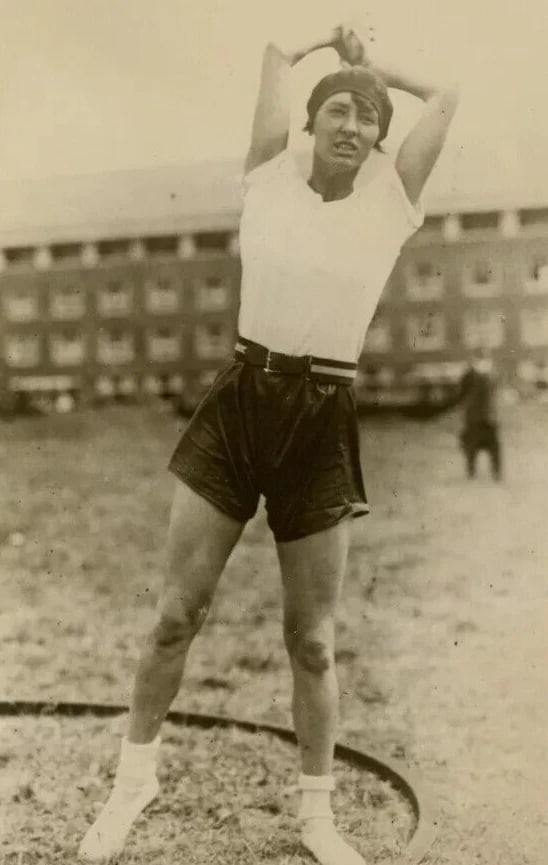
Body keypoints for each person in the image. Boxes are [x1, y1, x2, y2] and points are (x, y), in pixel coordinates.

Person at [79, 19, 459, 865]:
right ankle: (132, 781)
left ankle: (318, 816)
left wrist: (373, 68)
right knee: (177, 613)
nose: (355, 127)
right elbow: (276, 58)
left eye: (369, 118)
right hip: (240, 402)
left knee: (313, 638)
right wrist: (328, 46)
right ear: (313, 124)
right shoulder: (269, 178)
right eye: (340, 114)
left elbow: (447, 97)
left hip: (322, 415)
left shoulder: (391, 202)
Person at [459, 348, 502, 480]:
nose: (483, 362)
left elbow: (495, 385)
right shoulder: (469, 375)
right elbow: (463, 390)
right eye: (480, 359)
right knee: (471, 447)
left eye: (485, 359)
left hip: (489, 417)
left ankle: (496, 473)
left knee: (494, 447)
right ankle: (471, 472)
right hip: (474, 418)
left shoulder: (491, 374)